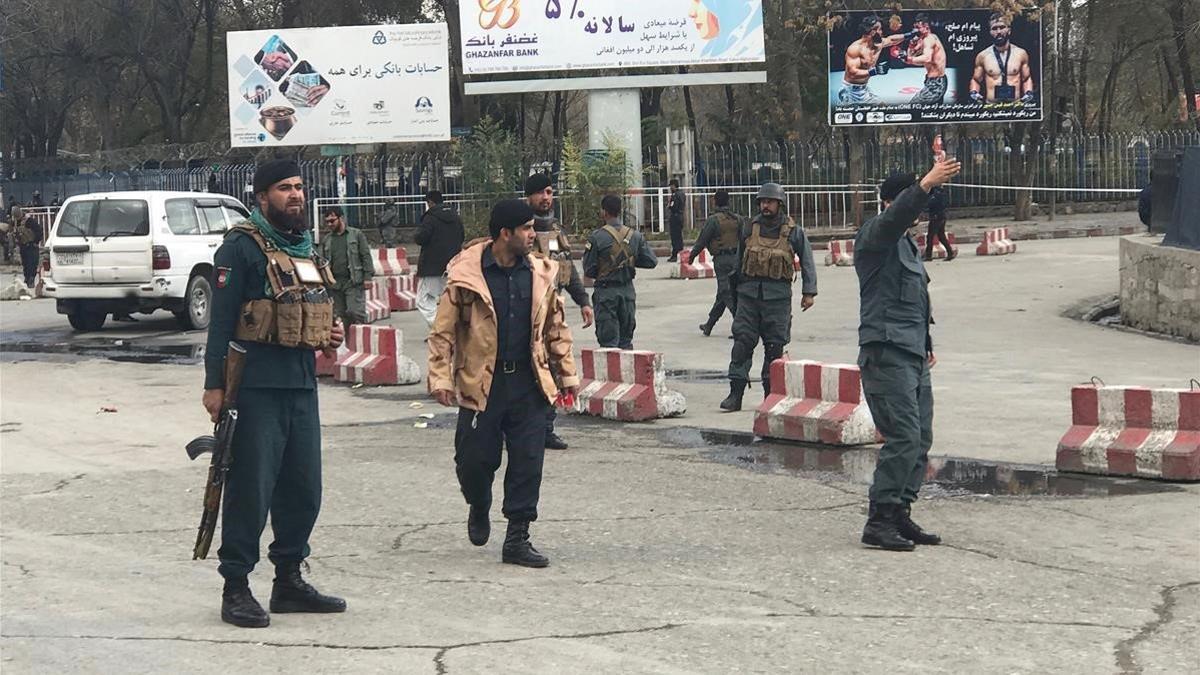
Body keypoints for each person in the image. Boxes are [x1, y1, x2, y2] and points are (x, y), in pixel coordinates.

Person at [202, 159, 347, 627]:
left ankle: (288, 580)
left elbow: (313, 309)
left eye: (300, 187)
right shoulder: (240, 248)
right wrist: (214, 385)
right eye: (285, 188)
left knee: (304, 489)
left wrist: (331, 333)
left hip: (302, 386)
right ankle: (236, 586)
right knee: (250, 489)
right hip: (255, 389)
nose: (296, 195)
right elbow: (221, 323)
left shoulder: (305, 248)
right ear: (262, 196)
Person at [427, 199, 579, 568]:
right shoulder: (467, 277)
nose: (532, 235)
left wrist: (568, 376)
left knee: (529, 461)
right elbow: (443, 332)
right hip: (482, 384)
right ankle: (478, 504)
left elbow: (556, 330)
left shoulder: (541, 274)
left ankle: (517, 537)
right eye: (526, 229)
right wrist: (441, 377)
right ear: (504, 234)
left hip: (528, 383)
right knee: (474, 462)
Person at [854, 159, 961, 552]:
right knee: (902, 436)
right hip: (886, 352)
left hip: (912, 352)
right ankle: (879, 520)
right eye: (914, 208)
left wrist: (926, 342)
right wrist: (924, 184)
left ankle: (900, 511)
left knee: (921, 436)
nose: (918, 218)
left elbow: (915, 298)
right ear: (890, 203)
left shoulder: (909, 250)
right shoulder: (875, 237)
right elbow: (895, 217)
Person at [720, 183, 817, 412]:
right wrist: (732, 293)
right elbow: (738, 262)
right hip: (749, 297)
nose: (765, 205)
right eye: (762, 201)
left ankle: (770, 396)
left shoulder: (793, 231)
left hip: (778, 299)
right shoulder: (749, 228)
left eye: (770, 201)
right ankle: (736, 394)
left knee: (774, 347)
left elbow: (807, 260)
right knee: (742, 343)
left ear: (779, 204)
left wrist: (809, 292)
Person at [525, 173, 592, 451]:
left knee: (553, 370)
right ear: (528, 196)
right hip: (525, 313)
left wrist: (584, 301)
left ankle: (546, 429)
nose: (546, 198)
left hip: (553, 313)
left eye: (549, 192)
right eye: (540, 193)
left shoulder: (555, 229)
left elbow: (567, 268)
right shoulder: (519, 229)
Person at [582, 195, 659, 349]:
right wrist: (630, 261)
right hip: (627, 293)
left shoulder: (596, 237)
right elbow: (652, 261)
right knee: (626, 341)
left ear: (604, 212)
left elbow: (589, 270)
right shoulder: (635, 236)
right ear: (620, 211)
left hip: (606, 294)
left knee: (608, 344)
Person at [688, 189, 744, 337]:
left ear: (714, 201)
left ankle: (741, 325)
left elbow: (702, 240)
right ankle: (709, 324)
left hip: (722, 260)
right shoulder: (737, 219)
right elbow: (745, 239)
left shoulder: (713, 220)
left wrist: (692, 255)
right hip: (737, 259)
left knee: (727, 293)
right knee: (724, 293)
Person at [317, 205, 375, 326]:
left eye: (332, 221)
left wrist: (368, 277)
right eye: (327, 222)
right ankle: (346, 342)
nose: (329, 224)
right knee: (339, 317)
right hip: (335, 284)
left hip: (353, 282)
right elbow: (322, 261)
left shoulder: (356, 235)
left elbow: (365, 256)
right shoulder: (327, 239)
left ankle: (360, 339)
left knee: (355, 312)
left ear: (341, 218)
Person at [414, 190, 465, 326]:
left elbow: (421, 238)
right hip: (453, 264)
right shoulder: (455, 216)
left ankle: (439, 327)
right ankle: (453, 326)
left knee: (423, 299)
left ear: (430, 202)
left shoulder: (430, 218)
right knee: (448, 297)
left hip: (432, 266)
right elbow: (462, 236)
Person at [839, 15, 911, 105]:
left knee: (882, 109)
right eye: (880, 30)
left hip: (863, 89)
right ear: (873, 32)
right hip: (851, 92)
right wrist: (874, 71)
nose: (882, 32)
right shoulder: (855, 48)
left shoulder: (878, 44)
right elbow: (853, 72)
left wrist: (910, 35)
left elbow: (892, 40)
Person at [969, 13, 1035, 104]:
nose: (998, 32)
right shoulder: (982, 56)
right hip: (991, 107)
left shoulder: (1021, 53)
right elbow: (975, 80)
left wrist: (1029, 92)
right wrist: (974, 92)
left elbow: (1026, 78)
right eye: (994, 28)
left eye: (1002, 27)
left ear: (1009, 30)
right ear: (990, 32)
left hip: (1015, 106)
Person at [904, 14, 947, 105]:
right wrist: (911, 46)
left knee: (912, 107)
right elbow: (912, 58)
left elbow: (927, 58)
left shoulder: (929, 39)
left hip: (936, 83)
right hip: (932, 81)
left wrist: (910, 59)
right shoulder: (922, 40)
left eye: (918, 27)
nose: (915, 30)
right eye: (915, 27)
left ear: (926, 26)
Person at [922, 186, 956, 261]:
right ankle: (950, 253)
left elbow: (930, 204)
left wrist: (925, 205)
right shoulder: (941, 193)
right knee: (941, 236)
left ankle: (928, 256)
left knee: (930, 236)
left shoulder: (935, 194)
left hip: (936, 217)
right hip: (941, 216)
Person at [15, 208, 43, 287]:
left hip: (32, 245)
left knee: (32, 263)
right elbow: (17, 233)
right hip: (23, 246)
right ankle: (27, 278)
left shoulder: (30, 221)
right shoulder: (17, 222)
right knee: (25, 264)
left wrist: (36, 241)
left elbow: (39, 231)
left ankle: (31, 279)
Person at [667, 179, 686, 262]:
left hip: (675, 217)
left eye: (671, 186)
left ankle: (675, 255)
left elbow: (673, 206)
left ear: (674, 185)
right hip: (681, 216)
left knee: (675, 237)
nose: (670, 187)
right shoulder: (682, 193)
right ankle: (681, 254)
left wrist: (669, 206)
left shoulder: (675, 195)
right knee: (679, 237)